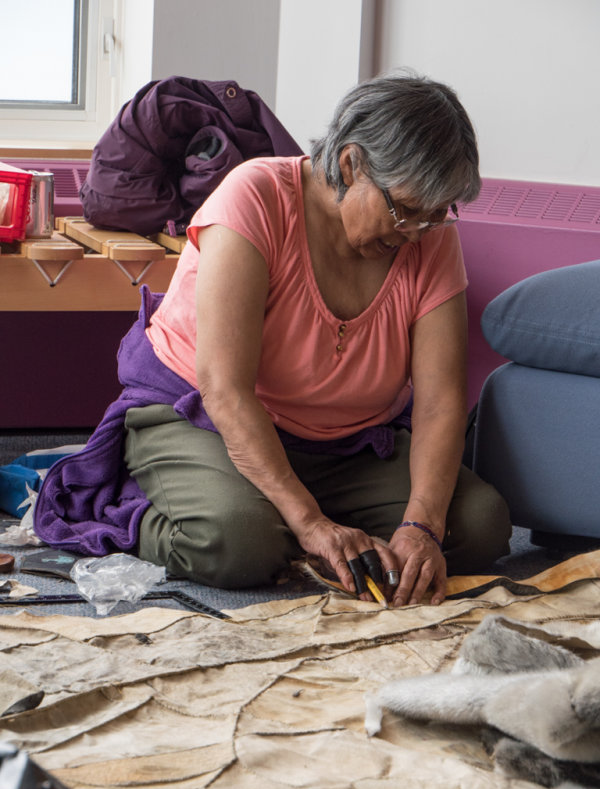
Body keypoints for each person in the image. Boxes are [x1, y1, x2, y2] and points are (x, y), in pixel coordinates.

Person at [36, 71, 511, 606]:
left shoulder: (427, 236)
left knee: (477, 524)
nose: (415, 233)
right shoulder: (256, 195)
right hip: (205, 419)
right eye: (405, 209)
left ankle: (303, 518)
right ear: (352, 164)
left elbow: (440, 403)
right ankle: (141, 498)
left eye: (433, 215)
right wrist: (309, 523)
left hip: (346, 443)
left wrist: (421, 527)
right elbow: (224, 390)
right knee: (240, 542)